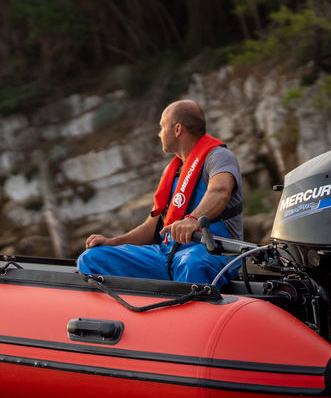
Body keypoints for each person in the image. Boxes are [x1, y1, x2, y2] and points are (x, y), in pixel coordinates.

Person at [77, 99, 244, 286]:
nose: (159, 134)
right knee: (91, 258)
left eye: (162, 127)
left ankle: (190, 310)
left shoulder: (219, 157)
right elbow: (151, 228)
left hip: (211, 253)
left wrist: (193, 219)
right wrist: (112, 242)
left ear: (177, 129)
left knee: (192, 265)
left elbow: (219, 191)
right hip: (167, 254)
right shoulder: (171, 172)